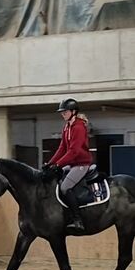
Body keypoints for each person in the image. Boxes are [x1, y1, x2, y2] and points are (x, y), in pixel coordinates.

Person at [43, 98, 92, 232]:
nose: (62, 114)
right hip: (71, 164)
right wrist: (50, 163)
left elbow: (74, 151)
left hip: (81, 164)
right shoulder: (66, 127)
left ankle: (78, 220)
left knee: (65, 187)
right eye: (62, 112)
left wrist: (58, 164)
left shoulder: (79, 127)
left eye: (65, 112)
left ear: (73, 111)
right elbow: (62, 148)